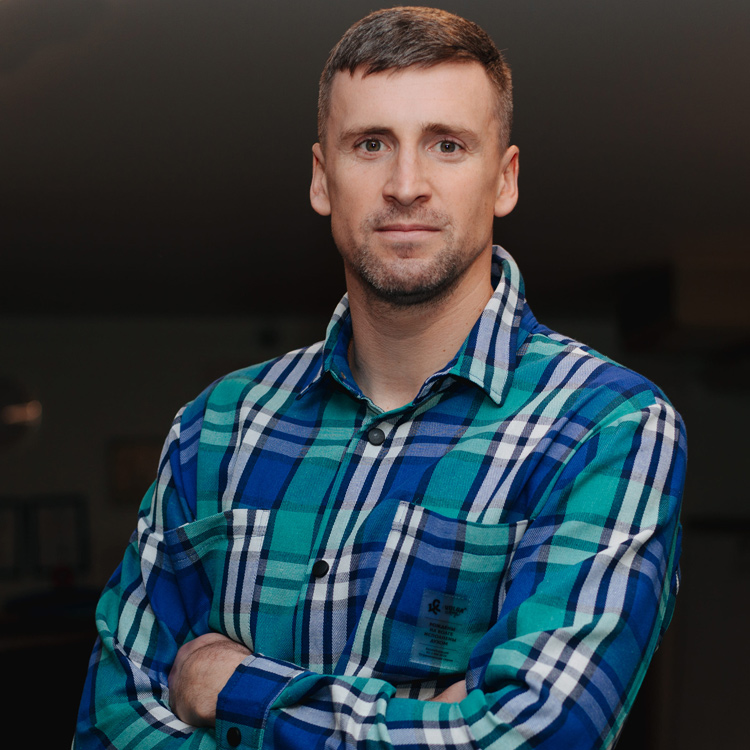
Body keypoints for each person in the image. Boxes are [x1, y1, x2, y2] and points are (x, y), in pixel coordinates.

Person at [75, 7, 686, 749]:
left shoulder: (607, 425)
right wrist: (434, 718)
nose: (405, 185)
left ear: (504, 180)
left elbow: (533, 736)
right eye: (371, 144)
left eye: (447, 145)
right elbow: (111, 724)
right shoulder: (217, 427)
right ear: (321, 178)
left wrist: (232, 687)